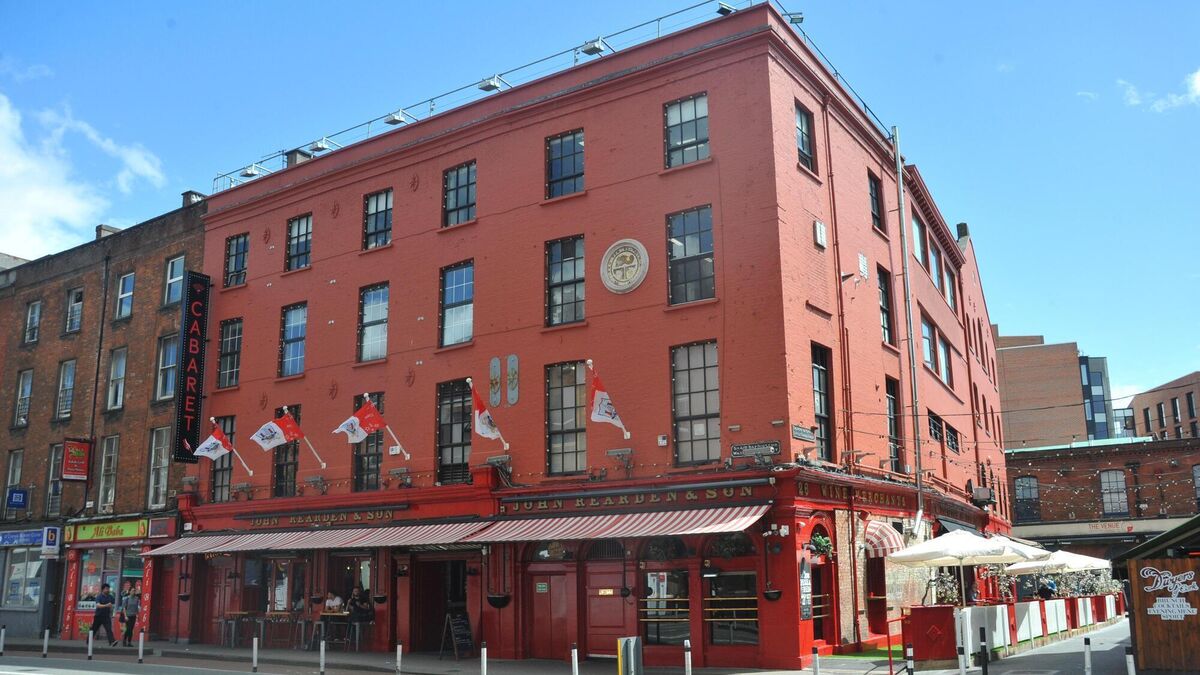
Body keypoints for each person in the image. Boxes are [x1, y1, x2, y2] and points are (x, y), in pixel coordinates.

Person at [120, 580, 140, 647]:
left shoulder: (137, 598)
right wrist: (125, 616)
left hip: (133, 615)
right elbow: (124, 608)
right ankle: (124, 640)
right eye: (132, 591)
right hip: (128, 616)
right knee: (128, 628)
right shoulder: (126, 599)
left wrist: (137, 615)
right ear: (130, 591)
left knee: (131, 629)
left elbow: (137, 607)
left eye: (134, 591)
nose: (133, 592)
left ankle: (129, 642)